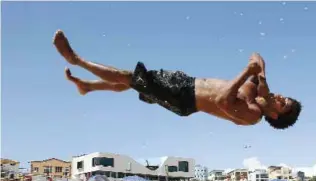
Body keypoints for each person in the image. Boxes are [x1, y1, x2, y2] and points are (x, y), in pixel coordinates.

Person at [52, 30, 302, 129]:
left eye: (282, 103)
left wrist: (248, 74)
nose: (279, 97)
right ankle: (88, 87)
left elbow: (222, 100)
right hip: (184, 86)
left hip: (183, 96)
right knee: (134, 83)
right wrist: (261, 75)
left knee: (130, 77)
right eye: (283, 96)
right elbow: (256, 56)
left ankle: (77, 60)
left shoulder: (252, 115)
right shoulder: (259, 93)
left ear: (276, 115)